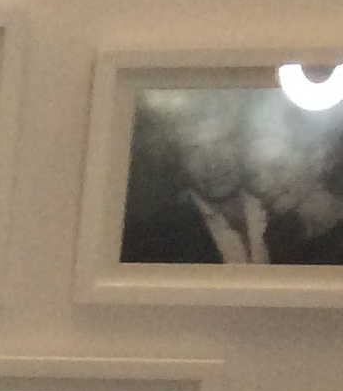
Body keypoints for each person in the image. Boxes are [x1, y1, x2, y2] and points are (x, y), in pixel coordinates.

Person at [121, 93, 266, 264]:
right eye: (193, 150)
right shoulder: (156, 237)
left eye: (221, 142)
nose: (212, 163)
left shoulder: (284, 210)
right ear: (177, 157)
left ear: (243, 142)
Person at [246, 99, 343, 265]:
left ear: (318, 158)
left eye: (276, 167)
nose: (262, 184)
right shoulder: (279, 234)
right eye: (255, 174)